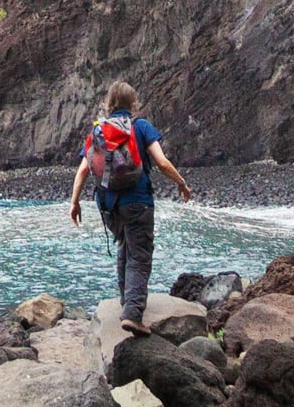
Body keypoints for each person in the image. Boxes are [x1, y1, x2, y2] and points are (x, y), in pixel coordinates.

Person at [66, 77, 200, 324]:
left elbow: (83, 170)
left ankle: (126, 302)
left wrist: (74, 203)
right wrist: (181, 183)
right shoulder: (141, 127)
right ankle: (133, 314)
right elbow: (161, 162)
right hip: (137, 201)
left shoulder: (98, 131)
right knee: (139, 255)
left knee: (125, 247)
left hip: (108, 205)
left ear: (109, 104)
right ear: (133, 103)